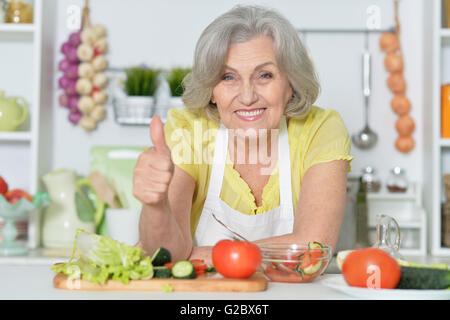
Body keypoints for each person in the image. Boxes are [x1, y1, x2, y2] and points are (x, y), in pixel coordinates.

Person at [133, 5, 353, 265]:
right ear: (211, 91)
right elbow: (166, 254)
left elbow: (312, 248)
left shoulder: (320, 129)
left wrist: (208, 256)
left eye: (265, 75)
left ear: (290, 85)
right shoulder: (189, 130)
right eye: (228, 77)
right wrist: (155, 205)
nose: (247, 96)